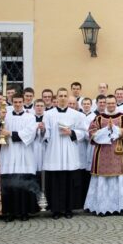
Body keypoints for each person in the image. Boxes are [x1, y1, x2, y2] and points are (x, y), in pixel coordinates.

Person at [42, 88, 88, 219]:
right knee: (55, 182)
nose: (62, 98)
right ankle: (55, 210)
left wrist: (71, 132)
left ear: (68, 98)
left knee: (69, 182)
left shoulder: (77, 115)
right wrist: (43, 130)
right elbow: (45, 133)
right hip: (54, 151)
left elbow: (84, 132)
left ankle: (68, 209)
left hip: (70, 151)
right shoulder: (48, 114)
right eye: (60, 96)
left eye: (65, 96)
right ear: (56, 98)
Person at [85, 95, 123, 216]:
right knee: (102, 179)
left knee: (118, 180)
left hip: (118, 154)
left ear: (116, 103)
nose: (111, 105)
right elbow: (91, 134)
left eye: (113, 103)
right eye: (109, 103)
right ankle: (101, 208)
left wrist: (115, 129)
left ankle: (119, 207)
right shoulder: (98, 118)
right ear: (105, 104)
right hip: (102, 154)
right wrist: (107, 130)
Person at [0, 94, 39, 221]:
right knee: (9, 183)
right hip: (8, 153)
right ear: (12, 102)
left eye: (20, 102)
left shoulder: (30, 117)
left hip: (24, 153)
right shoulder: (5, 116)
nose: (18, 104)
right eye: (15, 102)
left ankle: (24, 212)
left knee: (24, 183)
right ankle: (9, 212)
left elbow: (30, 134)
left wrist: (10, 133)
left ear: (24, 102)